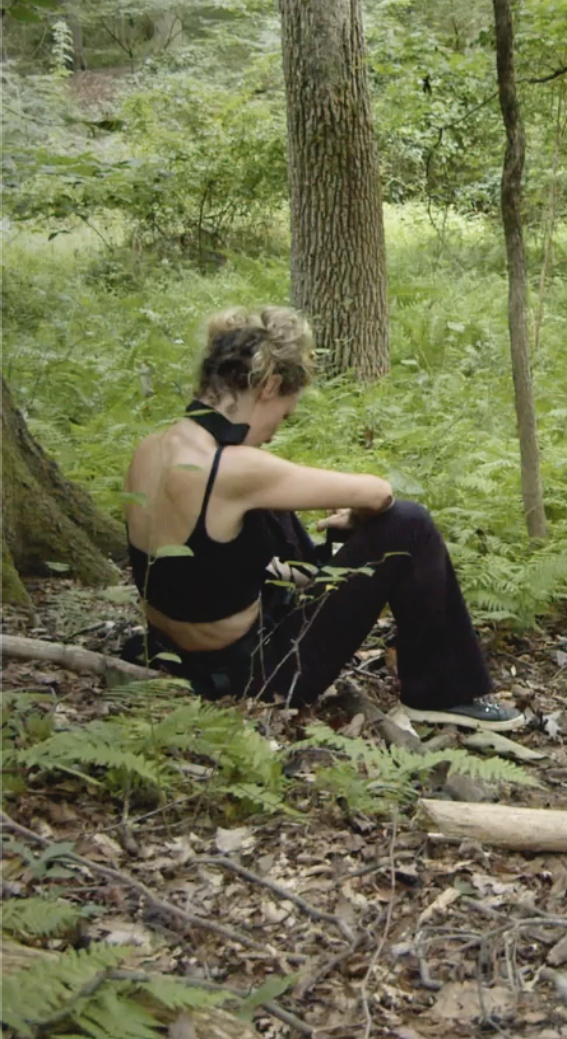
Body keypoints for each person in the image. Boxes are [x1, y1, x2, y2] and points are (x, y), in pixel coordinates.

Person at [123, 307, 519, 729]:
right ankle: (444, 693)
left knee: (284, 507)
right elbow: (379, 492)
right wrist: (363, 518)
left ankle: (437, 681)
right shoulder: (235, 469)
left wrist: (340, 540)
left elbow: (207, 571)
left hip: (176, 654)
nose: (276, 430)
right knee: (409, 523)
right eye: (284, 414)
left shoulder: (153, 448)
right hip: (260, 676)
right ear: (269, 387)